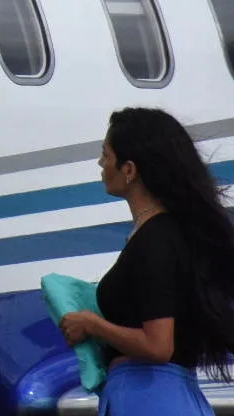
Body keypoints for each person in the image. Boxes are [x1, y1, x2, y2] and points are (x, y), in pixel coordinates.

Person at [58, 107, 234, 415]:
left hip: (151, 398)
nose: (101, 164)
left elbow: (158, 346)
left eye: (105, 155)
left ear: (129, 169)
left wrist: (91, 323)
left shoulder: (156, 240)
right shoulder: (160, 235)